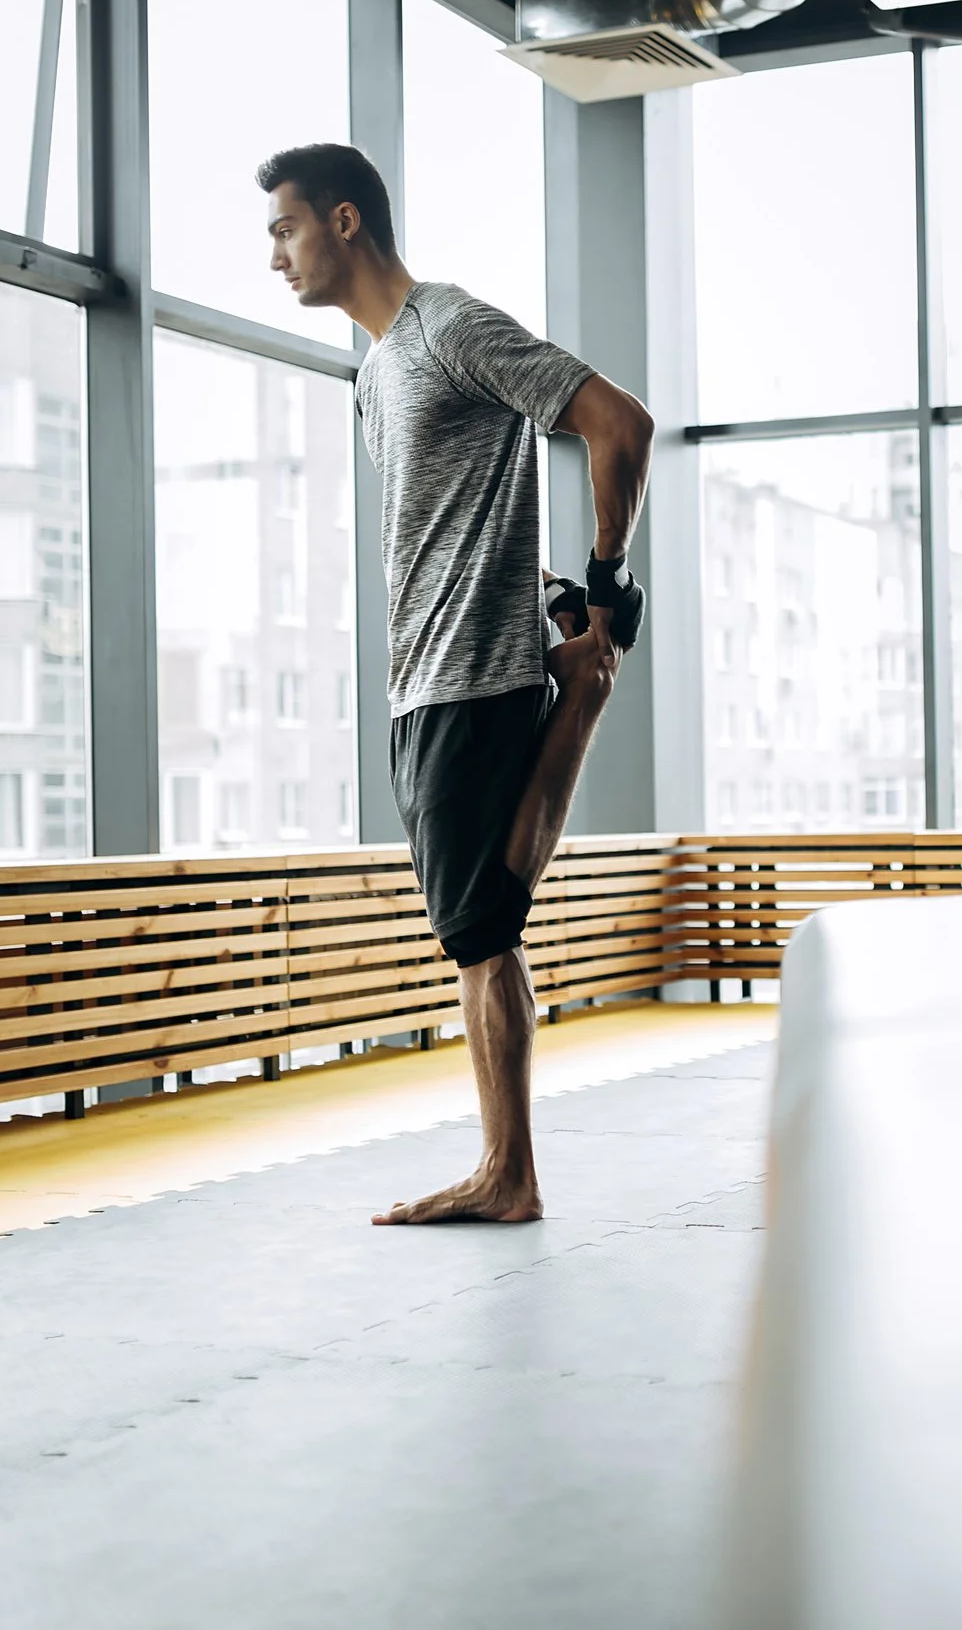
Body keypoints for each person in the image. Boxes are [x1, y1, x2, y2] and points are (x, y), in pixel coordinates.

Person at [257, 142, 653, 1225]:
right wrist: (557, 593)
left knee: (483, 929)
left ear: (344, 222)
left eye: (285, 229)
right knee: (486, 922)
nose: (275, 257)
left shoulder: (446, 328)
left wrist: (609, 586)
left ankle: (507, 1172)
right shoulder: (374, 375)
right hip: (423, 682)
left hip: (470, 678)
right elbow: (451, 530)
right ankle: (505, 1166)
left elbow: (618, 424)